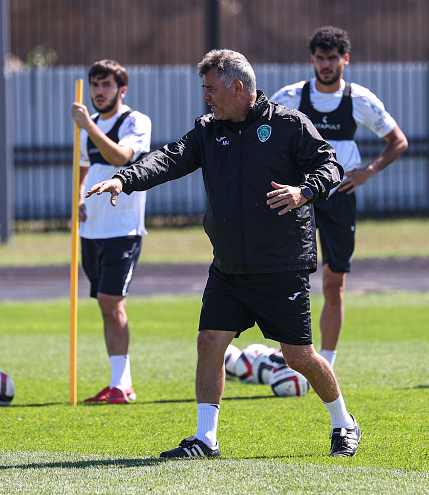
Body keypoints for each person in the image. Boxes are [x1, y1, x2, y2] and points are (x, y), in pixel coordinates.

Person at [86, 49, 362, 457]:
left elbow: (330, 166)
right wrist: (124, 179)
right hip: (229, 265)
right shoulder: (207, 131)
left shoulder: (288, 124)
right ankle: (205, 439)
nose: (205, 97)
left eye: (211, 89)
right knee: (209, 342)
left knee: (298, 356)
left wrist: (303, 191)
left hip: (280, 263)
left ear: (237, 88)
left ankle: (344, 423)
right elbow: (168, 159)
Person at [271, 26, 408, 368]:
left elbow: (398, 141)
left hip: (339, 199)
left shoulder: (359, 100)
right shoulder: (289, 98)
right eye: (320, 58)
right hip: (299, 199)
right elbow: (263, 137)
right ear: (312, 60)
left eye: (332, 58)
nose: (326, 65)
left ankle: (326, 365)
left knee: (334, 286)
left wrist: (367, 172)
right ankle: (288, 357)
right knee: (287, 282)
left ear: (345, 59)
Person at [70, 59, 152, 405]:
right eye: (95, 85)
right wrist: (79, 196)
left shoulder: (134, 121)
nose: (98, 91)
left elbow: (120, 157)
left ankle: (122, 385)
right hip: (91, 230)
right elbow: (84, 166)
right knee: (105, 306)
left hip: (123, 228)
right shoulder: (88, 126)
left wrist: (89, 125)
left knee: (110, 300)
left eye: (106, 85)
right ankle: (120, 382)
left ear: (122, 90)